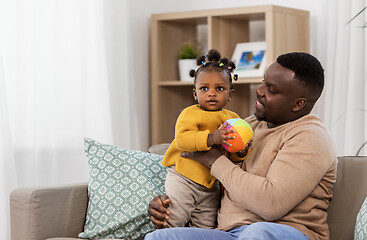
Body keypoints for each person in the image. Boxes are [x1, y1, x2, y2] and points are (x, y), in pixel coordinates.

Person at [145, 52, 337, 240]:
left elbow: (270, 204)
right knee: (160, 237)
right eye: (263, 82)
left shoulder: (310, 137)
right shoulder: (247, 125)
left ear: (298, 104)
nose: (259, 90)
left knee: (258, 232)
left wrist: (215, 161)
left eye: (272, 89)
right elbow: (217, 184)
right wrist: (170, 205)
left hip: (287, 231)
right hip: (228, 233)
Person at [160, 49, 251, 229]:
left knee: (206, 227)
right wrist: (211, 138)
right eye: (204, 88)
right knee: (174, 218)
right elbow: (182, 140)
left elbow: (231, 154)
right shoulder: (190, 114)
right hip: (183, 177)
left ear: (230, 94)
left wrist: (241, 151)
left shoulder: (233, 119)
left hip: (211, 185)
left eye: (219, 88)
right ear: (195, 93)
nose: (211, 93)